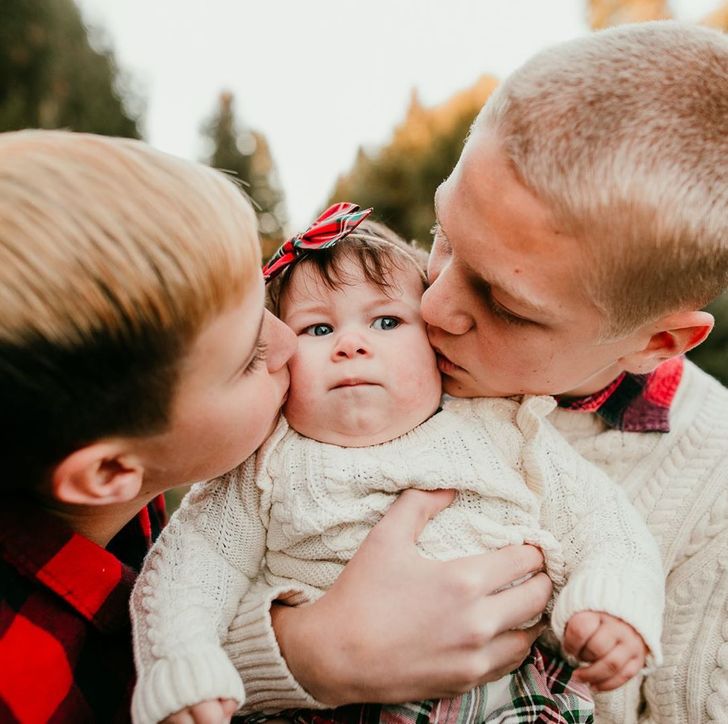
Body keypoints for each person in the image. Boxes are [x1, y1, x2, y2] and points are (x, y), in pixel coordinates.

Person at [240, 20, 727, 724]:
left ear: (657, 342)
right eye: (442, 236)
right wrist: (308, 655)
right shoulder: (341, 361)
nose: (433, 305)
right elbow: (161, 618)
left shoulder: (711, 485)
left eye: (503, 302)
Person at [0, 131, 551, 722]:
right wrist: (318, 656)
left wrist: (284, 655)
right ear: (109, 470)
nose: (287, 341)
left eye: (266, 312)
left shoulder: (128, 494)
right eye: (245, 360)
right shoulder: (19, 679)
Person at [130, 210, 663, 724]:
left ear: (434, 345)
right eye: (317, 330)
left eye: (386, 321)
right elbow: (192, 564)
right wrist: (183, 662)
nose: (351, 345)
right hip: (312, 709)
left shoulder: (501, 426)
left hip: (508, 702)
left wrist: (611, 603)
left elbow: (604, 522)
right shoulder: (265, 459)